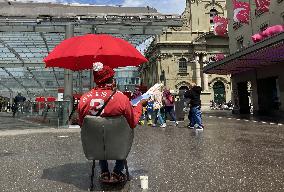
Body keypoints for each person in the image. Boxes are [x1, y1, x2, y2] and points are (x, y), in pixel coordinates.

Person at [78, 62, 146, 184]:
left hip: (95, 147)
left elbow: (82, 124)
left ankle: (104, 170)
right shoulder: (121, 98)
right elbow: (133, 122)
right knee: (125, 133)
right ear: (110, 79)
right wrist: (139, 106)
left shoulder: (84, 99)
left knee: (98, 135)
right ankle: (118, 171)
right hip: (119, 146)